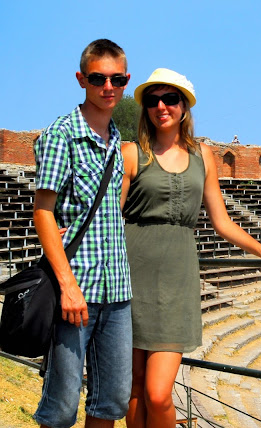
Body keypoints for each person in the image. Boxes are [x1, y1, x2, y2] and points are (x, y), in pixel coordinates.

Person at [122, 68, 261, 428]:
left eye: (170, 98)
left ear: (184, 106)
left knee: (158, 394)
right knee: (135, 387)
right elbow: (110, 215)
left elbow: (222, 221)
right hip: (130, 274)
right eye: (153, 100)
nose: (161, 106)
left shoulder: (202, 155)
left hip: (177, 280)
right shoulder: (131, 153)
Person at [33, 39, 132, 428]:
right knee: (61, 405)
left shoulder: (116, 138)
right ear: (81, 79)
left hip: (117, 290)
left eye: (117, 79)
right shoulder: (62, 134)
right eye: (98, 78)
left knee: (112, 401)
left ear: (126, 81)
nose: (108, 87)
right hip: (76, 290)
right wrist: (68, 285)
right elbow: (43, 210)